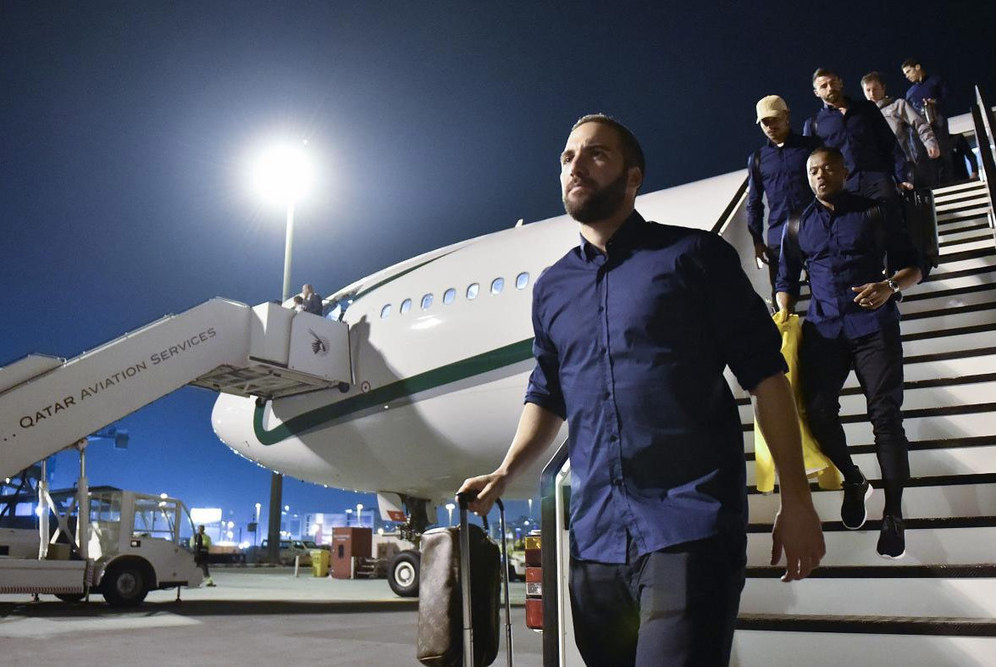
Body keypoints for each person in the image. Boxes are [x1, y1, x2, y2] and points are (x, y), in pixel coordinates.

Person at [459, 114, 824, 666]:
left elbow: (766, 379)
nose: (575, 166)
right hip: (595, 542)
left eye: (596, 154)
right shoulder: (553, 289)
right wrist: (506, 471)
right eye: (567, 157)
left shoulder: (694, 257)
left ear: (633, 177)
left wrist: (796, 499)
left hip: (689, 527)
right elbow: (547, 393)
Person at [776, 146, 923, 560]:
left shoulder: (875, 211)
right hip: (824, 332)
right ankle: (853, 479)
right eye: (813, 171)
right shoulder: (796, 223)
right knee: (817, 412)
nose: (820, 176)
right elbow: (786, 278)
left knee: (885, 418)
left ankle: (893, 514)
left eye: (827, 168)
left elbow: (914, 267)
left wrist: (889, 287)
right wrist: (783, 315)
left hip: (875, 328)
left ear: (844, 171)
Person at [747, 95, 823, 304]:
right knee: (781, 295)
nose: (770, 126)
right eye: (765, 122)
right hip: (779, 236)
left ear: (786, 115)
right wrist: (757, 241)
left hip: (815, 228)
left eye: (774, 119)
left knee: (824, 287)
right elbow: (754, 202)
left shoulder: (811, 147)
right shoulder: (758, 158)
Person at [804, 68, 912, 203]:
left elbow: (890, 144)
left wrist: (902, 177)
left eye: (833, 83)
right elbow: (811, 164)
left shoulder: (867, 109)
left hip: (878, 182)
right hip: (843, 189)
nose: (830, 88)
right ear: (816, 92)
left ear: (840, 83)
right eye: (823, 86)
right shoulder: (813, 124)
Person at [861, 71, 940, 188]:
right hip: (880, 170)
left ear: (883, 88)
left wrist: (930, 142)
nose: (872, 93)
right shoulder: (862, 116)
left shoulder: (898, 106)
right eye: (868, 90)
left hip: (904, 165)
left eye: (875, 89)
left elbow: (919, 124)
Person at [902, 58, 955, 184]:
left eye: (908, 71)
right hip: (920, 132)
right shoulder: (910, 93)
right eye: (905, 74)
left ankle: (948, 184)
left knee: (944, 156)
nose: (907, 76)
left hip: (938, 125)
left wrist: (934, 102)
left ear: (917, 67)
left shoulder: (936, 80)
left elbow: (948, 98)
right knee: (924, 160)